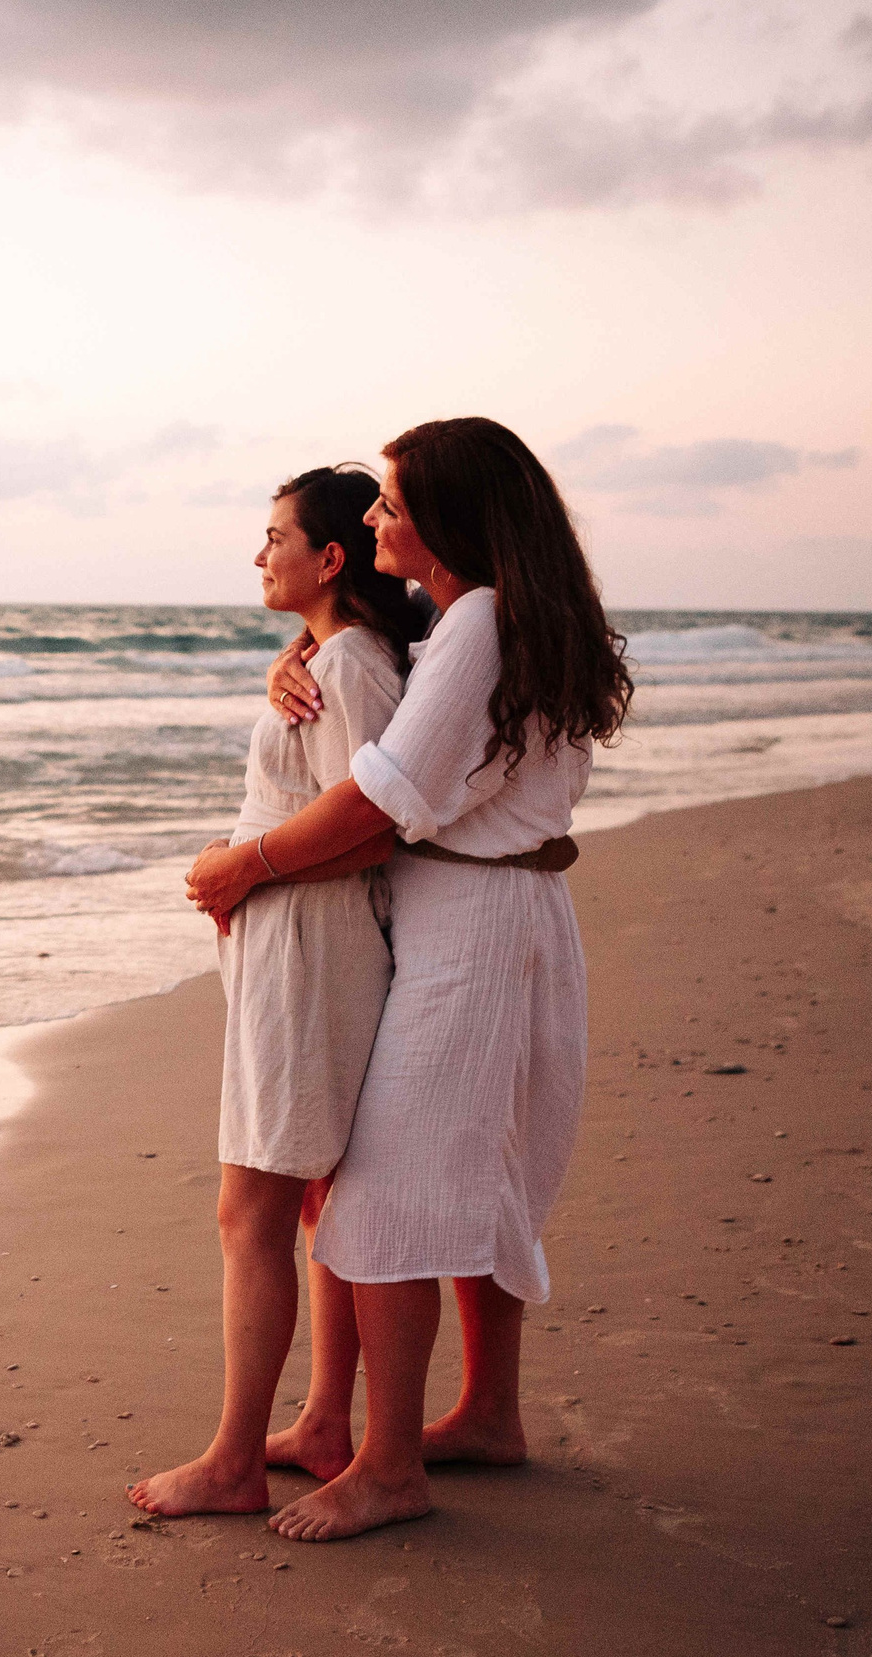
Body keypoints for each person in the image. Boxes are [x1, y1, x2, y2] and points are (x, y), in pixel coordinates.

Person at [185, 417, 633, 1542]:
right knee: (479, 1174)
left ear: (450, 515)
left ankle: (388, 1466)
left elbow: (382, 793)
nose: (378, 516)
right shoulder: (483, 615)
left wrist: (245, 863)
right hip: (511, 907)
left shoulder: (476, 616)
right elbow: (386, 691)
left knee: (384, 1194)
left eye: (391, 503)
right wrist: (302, 658)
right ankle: (485, 1412)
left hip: (468, 927)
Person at [126, 465, 426, 1519]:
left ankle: (233, 1458)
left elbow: (374, 825)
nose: (258, 556)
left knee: (251, 1204)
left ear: (328, 557)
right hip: (293, 944)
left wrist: (240, 864)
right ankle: (319, 1421)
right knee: (305, 1197)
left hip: (306, 949)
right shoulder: (334, 658)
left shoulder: (346, 667)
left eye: (273, 537)